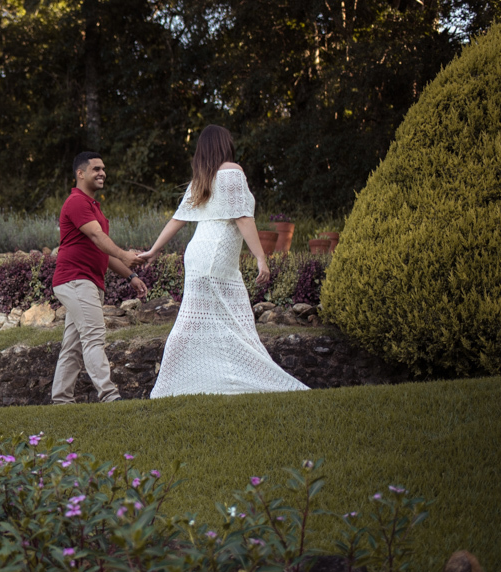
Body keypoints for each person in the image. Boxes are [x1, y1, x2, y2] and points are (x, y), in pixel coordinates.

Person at [138, 126, 308, 397]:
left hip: (198, 257)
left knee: (200, 321)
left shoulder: (203, 178)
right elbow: (242, 217)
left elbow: (177, 219)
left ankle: (206, 383)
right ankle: (234, 381)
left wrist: (154, 250)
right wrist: (261, 258)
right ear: (224, 145)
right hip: (216, 256)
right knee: (234, 321)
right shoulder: (231, 171)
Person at [50, 152, 148, 404]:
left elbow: (102, 249)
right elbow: (97, 237)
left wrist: (131, 276)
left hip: (86, 282)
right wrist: (125, 254)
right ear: (80, 173)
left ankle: (61, 401)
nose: (102, 173)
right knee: (94, 336)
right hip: (75, 280)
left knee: (73, 345)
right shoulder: (76, 202)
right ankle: (109, 395)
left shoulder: (93, 207)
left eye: (103, 168)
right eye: (96, 169)